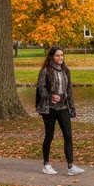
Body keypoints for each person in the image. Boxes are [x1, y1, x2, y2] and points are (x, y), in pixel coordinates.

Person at [36, 46, 84, 175]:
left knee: (68, 136)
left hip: (63, 107)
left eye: (62, 55)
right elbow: (41, 87)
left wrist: (72, 107)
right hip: (49, 108)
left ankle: (71, 166)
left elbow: (69, 90)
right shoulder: (46, 71)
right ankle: (46, 164)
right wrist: (50, 95)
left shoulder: (65, 70)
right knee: (49, 136)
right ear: (52, 57)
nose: (60, 58)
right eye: (57, 55)